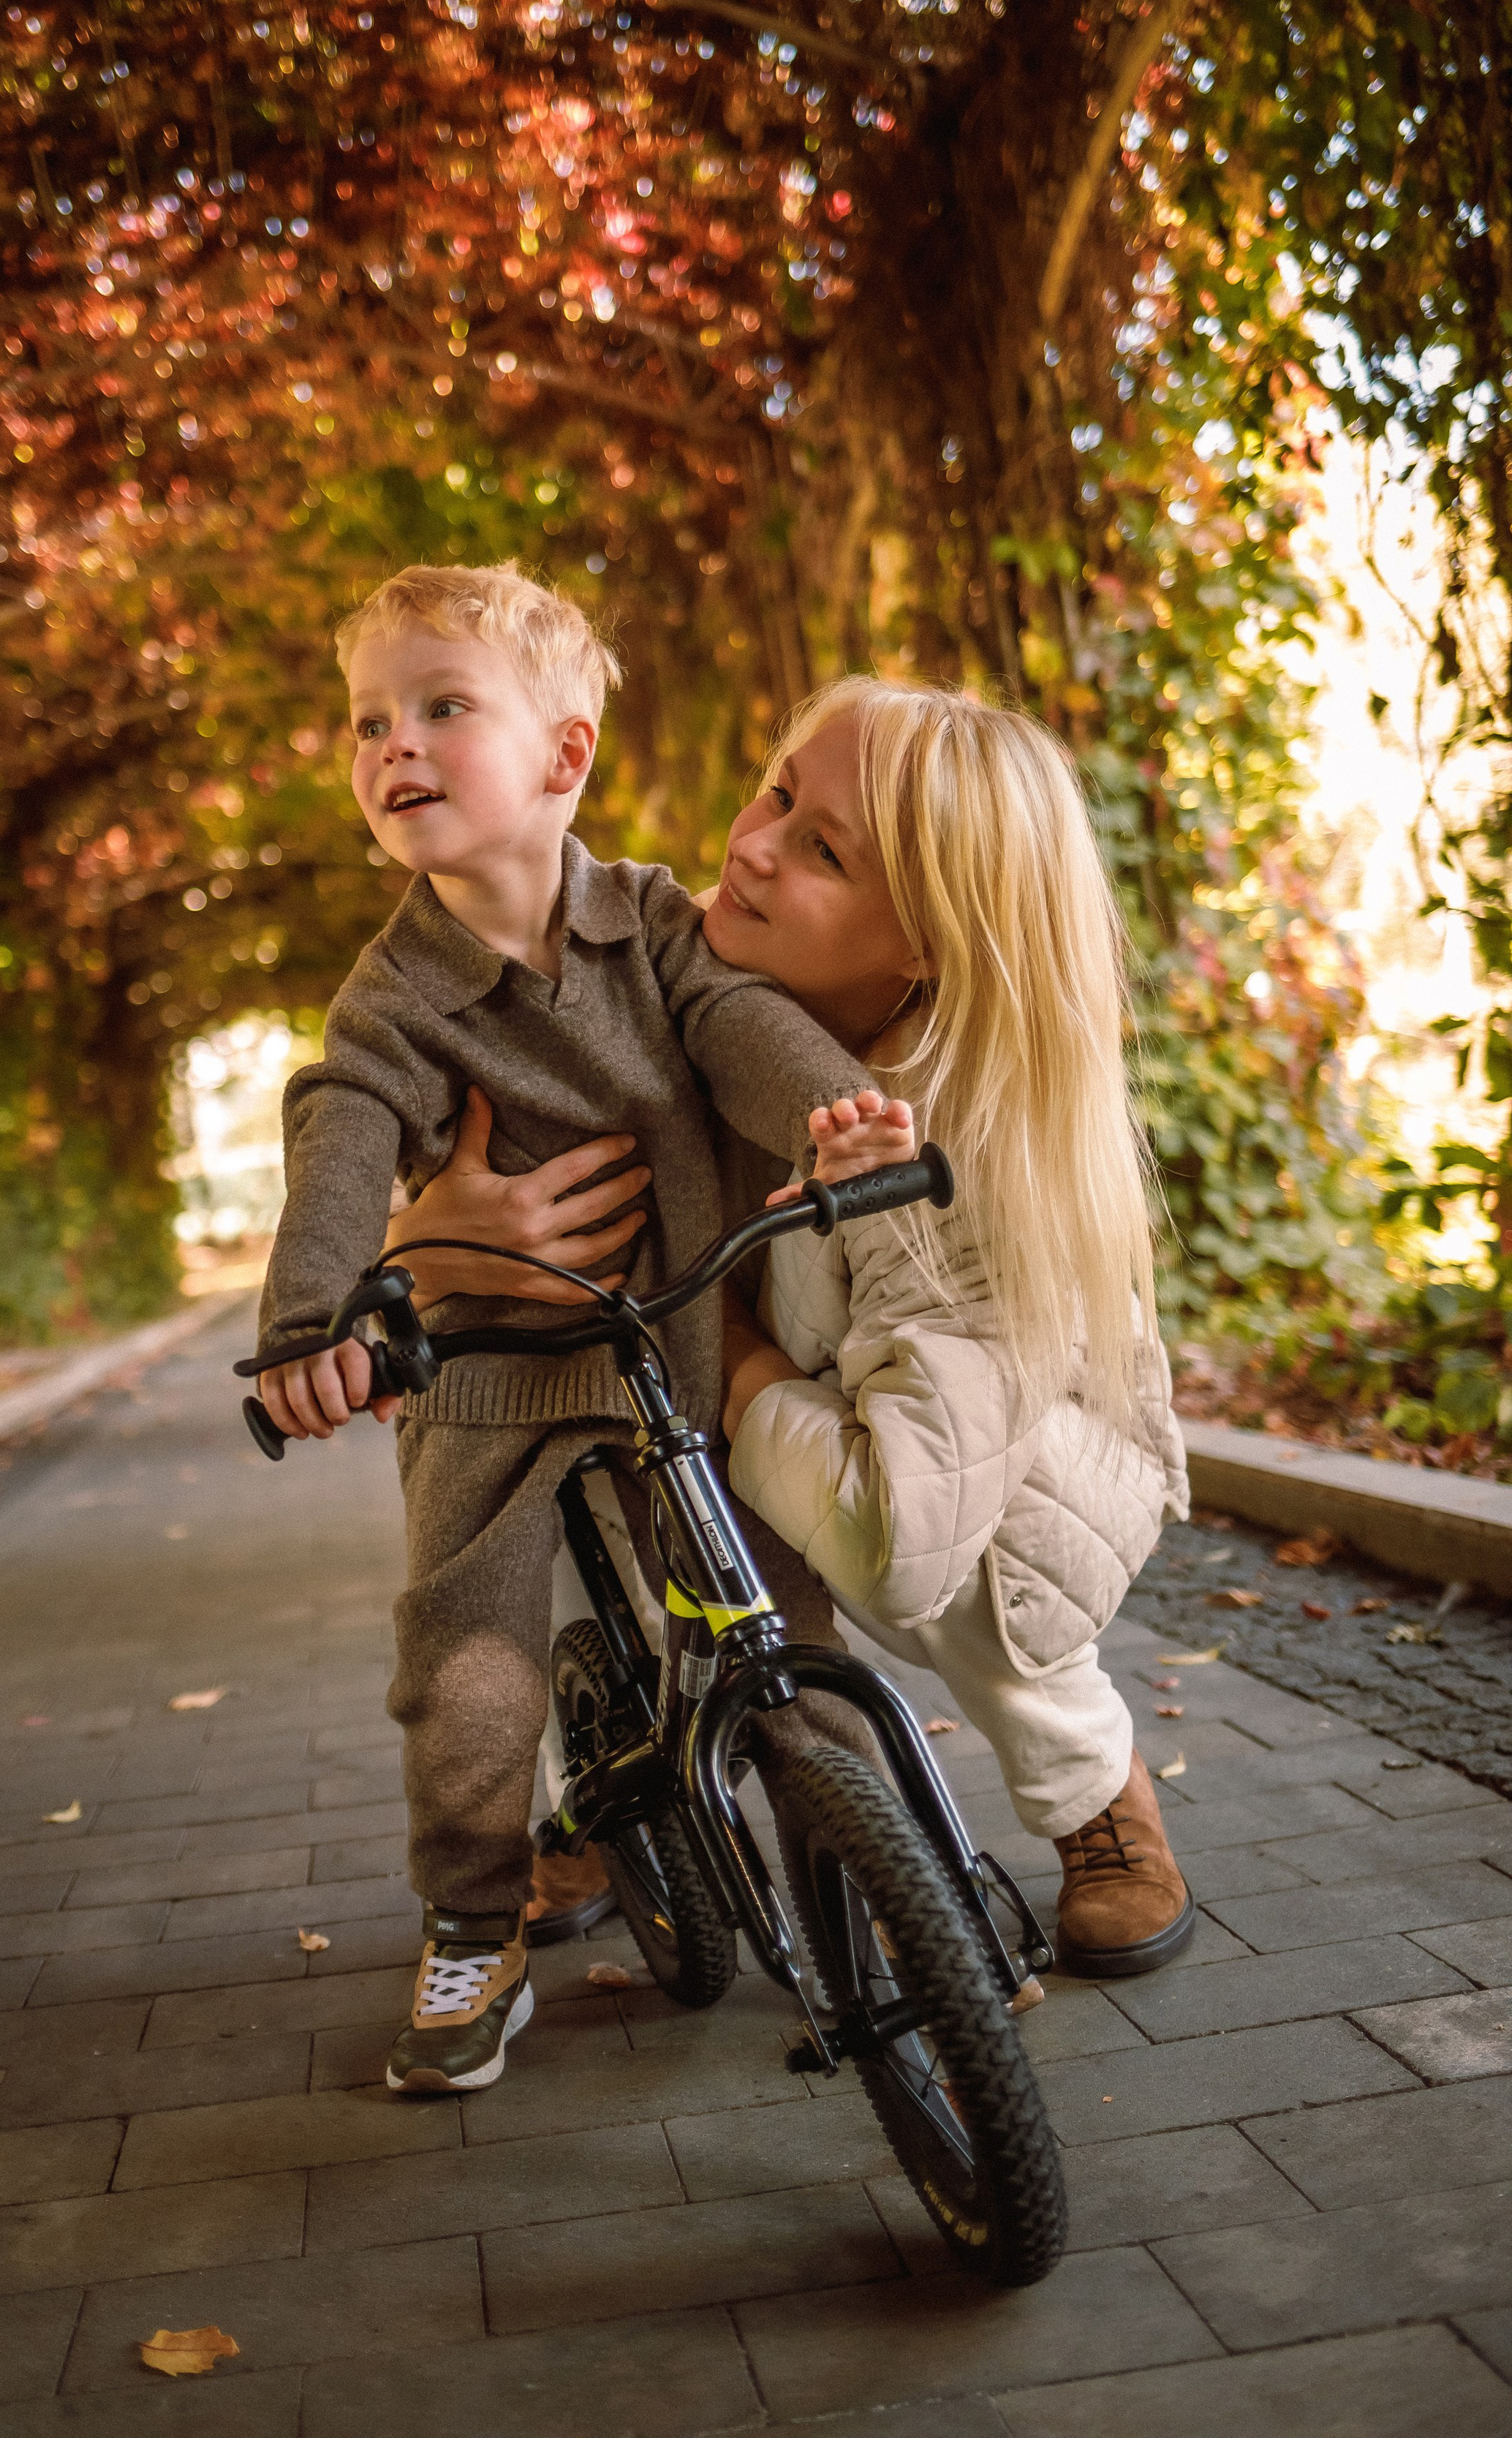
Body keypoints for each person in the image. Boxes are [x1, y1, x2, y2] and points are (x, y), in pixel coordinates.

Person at [397, 675, 1195, 1980]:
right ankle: (597, 1778)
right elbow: (461, 1097)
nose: (750, 846)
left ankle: (1100, 1794)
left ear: (929, 943)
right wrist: (424, 1236)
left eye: (823, 851)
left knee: (987, 1595)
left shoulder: (970, 1156)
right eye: (777, 792)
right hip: (720, 1383)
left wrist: (720, 1343)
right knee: (531, 1485)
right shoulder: (659, 956)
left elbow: (901, 1543)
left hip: (978, 1474)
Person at [252, 562, 910, 2097]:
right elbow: (341, 1135)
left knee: (770, 1621)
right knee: (471, 1668)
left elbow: (740, 1030)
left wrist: (828, 1119)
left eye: (438, 707)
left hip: (658, 1350)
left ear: (562, 758)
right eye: (365, 722)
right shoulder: (393, 1004)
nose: (389, 745)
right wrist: (312, 1322)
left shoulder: (656, 926)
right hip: (481, 1382)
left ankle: (877, 1892)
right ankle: (471, 1924)